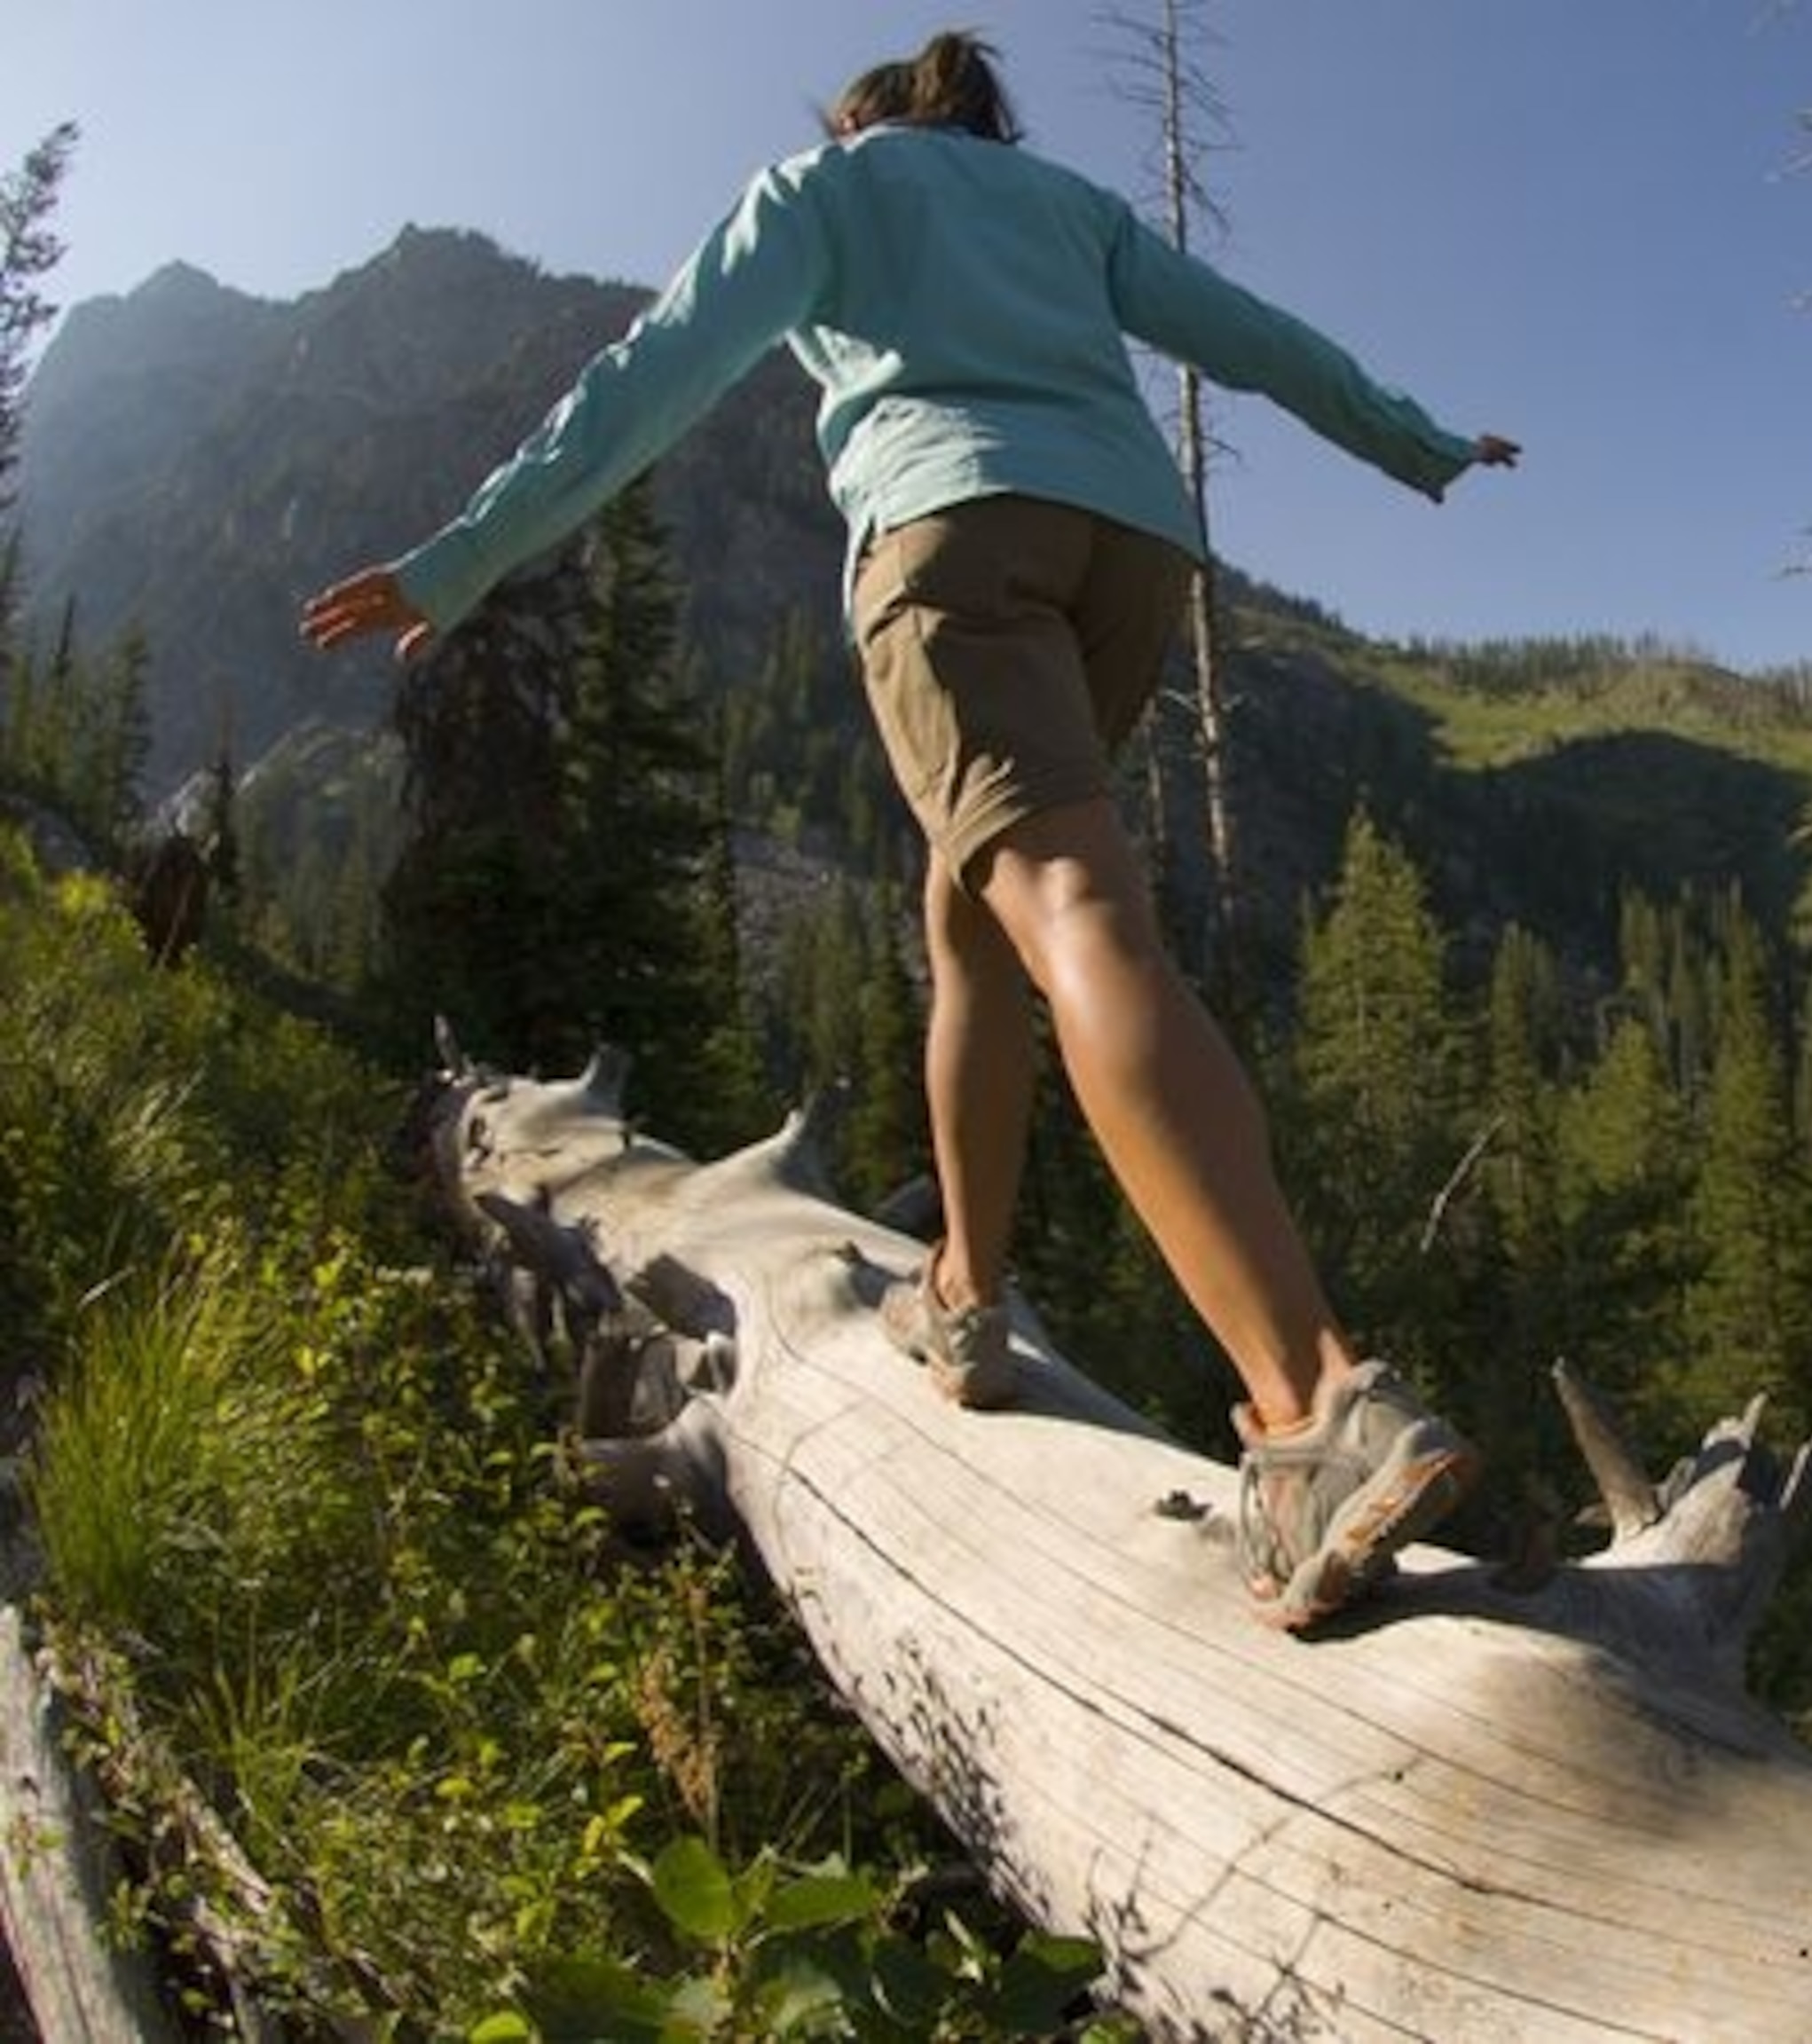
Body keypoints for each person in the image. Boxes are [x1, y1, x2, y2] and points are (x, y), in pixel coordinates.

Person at [301, 32, 1516, 1631]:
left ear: (869, 119)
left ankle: (1315, 1402)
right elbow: (1253, 334)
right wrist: (1411, 439)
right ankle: (968, 1298)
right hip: (1125, 552)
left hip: (954, 538)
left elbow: (648, 377)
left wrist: (460, 562)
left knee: (1072, 902)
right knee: (972, 920)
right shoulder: (1065, 210)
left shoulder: (831, 190)